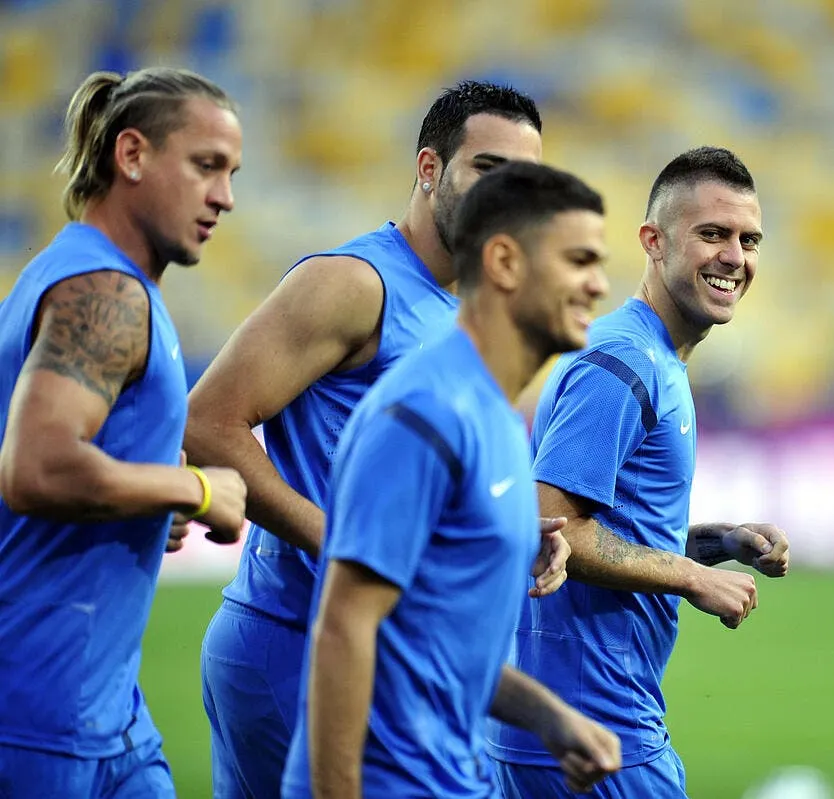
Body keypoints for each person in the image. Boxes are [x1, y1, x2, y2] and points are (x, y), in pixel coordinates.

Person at [184, 80, 570, 799]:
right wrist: (342, 548)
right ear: (429, 168)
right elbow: (206, 422)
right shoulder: (355, 283)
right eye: (488, 170)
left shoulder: (462, 312)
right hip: (299, 640)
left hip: (376, 653)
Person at [281, 161, 620, 798]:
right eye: (579, 261)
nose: (599, 285)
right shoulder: (424, 413)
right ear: (505, 262)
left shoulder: (497, 416)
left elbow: (439, 643)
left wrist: (551, 718)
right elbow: (344, 627)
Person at [487, 147, 791, 798]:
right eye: (713, 234)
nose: (734, 257)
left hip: (572, 725)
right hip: (597, 727)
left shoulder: (650, 357)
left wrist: (720, 541)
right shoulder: (623, 363)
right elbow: (552, 530)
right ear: (654, 241)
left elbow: (612, 527)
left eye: (749, 240)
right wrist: (692, 576)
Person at [0, 68, 247, 798]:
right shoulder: (104, 292)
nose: (225, 197)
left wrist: (149, 497)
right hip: (42, 714)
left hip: (105, 709)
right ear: (132, 155)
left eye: (231, 174)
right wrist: (196, 487)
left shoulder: (82, 275)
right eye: (206, 166)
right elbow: (36, 468)